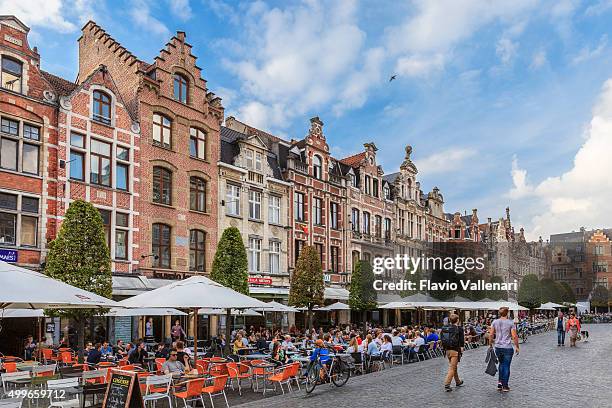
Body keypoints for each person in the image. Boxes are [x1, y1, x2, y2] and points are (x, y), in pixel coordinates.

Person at [489, 307, 519, 392]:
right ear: (507, 313)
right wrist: (517, 346)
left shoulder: (495, 322)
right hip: (507, 347)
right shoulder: (510, 323)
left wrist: (490, 344)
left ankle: (500, 383)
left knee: (501, 364)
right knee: (506, 366)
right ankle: (505, 386)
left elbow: (491, 335)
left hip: (498, 347)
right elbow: (514, 336)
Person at [441, 314, 465, 392]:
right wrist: (461, 348)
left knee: (453, 366)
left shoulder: (445, 328)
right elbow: (461, 340)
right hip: (455, 350)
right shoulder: (459, 328)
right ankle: (447, 384)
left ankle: (458, 381)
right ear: (457, 320)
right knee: (452, 367)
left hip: (447, 350)